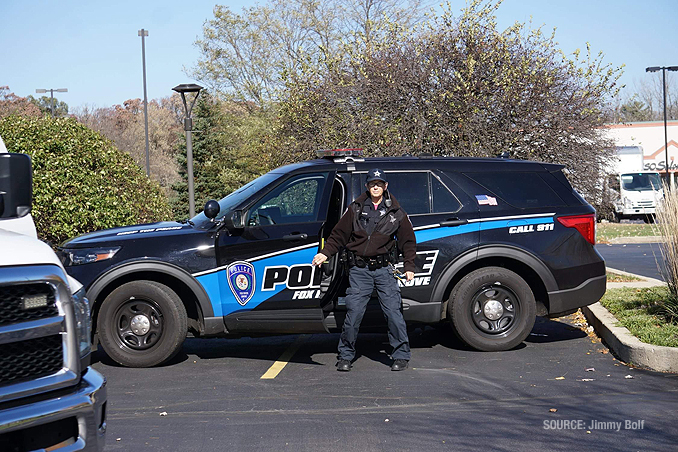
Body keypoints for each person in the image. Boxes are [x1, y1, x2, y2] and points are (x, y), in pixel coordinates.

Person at [312, 169, 416, 371]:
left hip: (384, 270)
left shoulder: (396, 212)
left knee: (394, 314)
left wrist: (409, 266)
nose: (375, 187)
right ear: (367, 187)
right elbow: (338, 236)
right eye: (372, 183)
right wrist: (326, 253)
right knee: (354, 314)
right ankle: (345, 356)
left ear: (385, 186)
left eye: (379, 183)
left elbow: (408, 242)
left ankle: (401, 356)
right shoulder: (355, 209)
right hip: (359, 270)